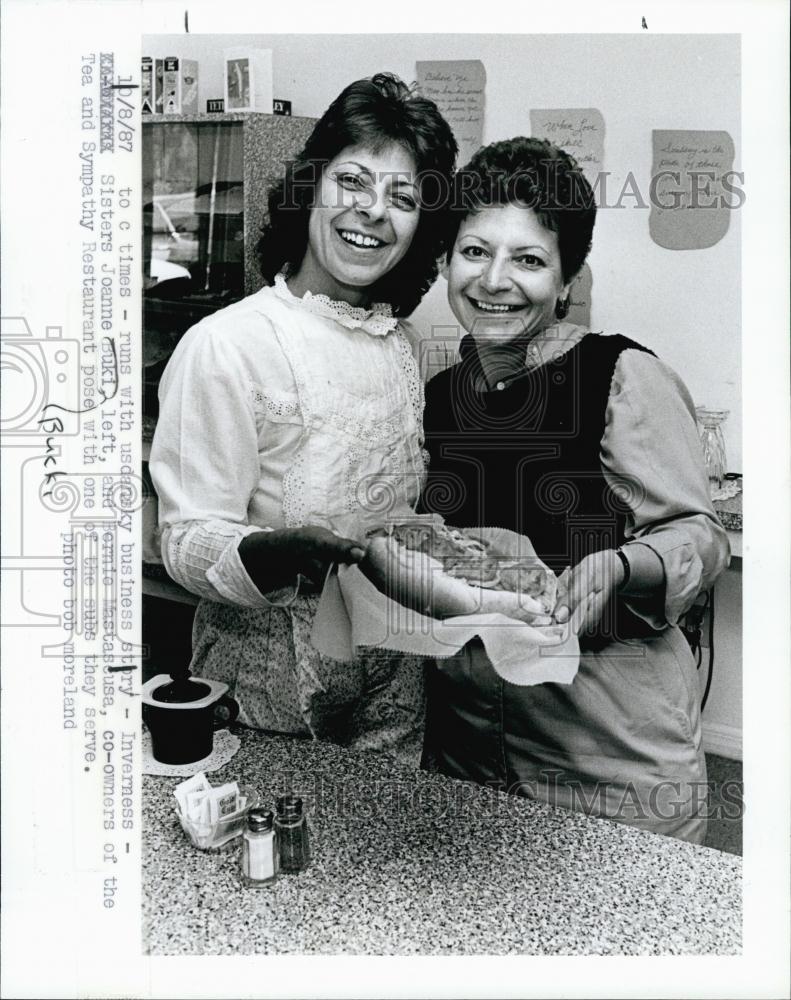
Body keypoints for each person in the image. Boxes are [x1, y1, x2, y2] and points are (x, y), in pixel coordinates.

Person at [420, 137, 729, 842]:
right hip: (465, 749)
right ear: (445, 260)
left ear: (566, 281)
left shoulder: (619, 376)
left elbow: (698, 536)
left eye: (527, 259)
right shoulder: (439, 394)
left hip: (604, 758)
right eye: (474, 251)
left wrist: (620, 566)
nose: (493, 280)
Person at [149, 74, 457, 764]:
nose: (373, 211)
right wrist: (276, 551)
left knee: (385, 847)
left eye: (402, 197)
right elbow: (186, 536)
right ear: (310, 187)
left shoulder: (399, 345)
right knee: (266, 853)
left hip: (390, 669)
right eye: (352, 181)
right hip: (265, 678)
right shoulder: (228, 344)